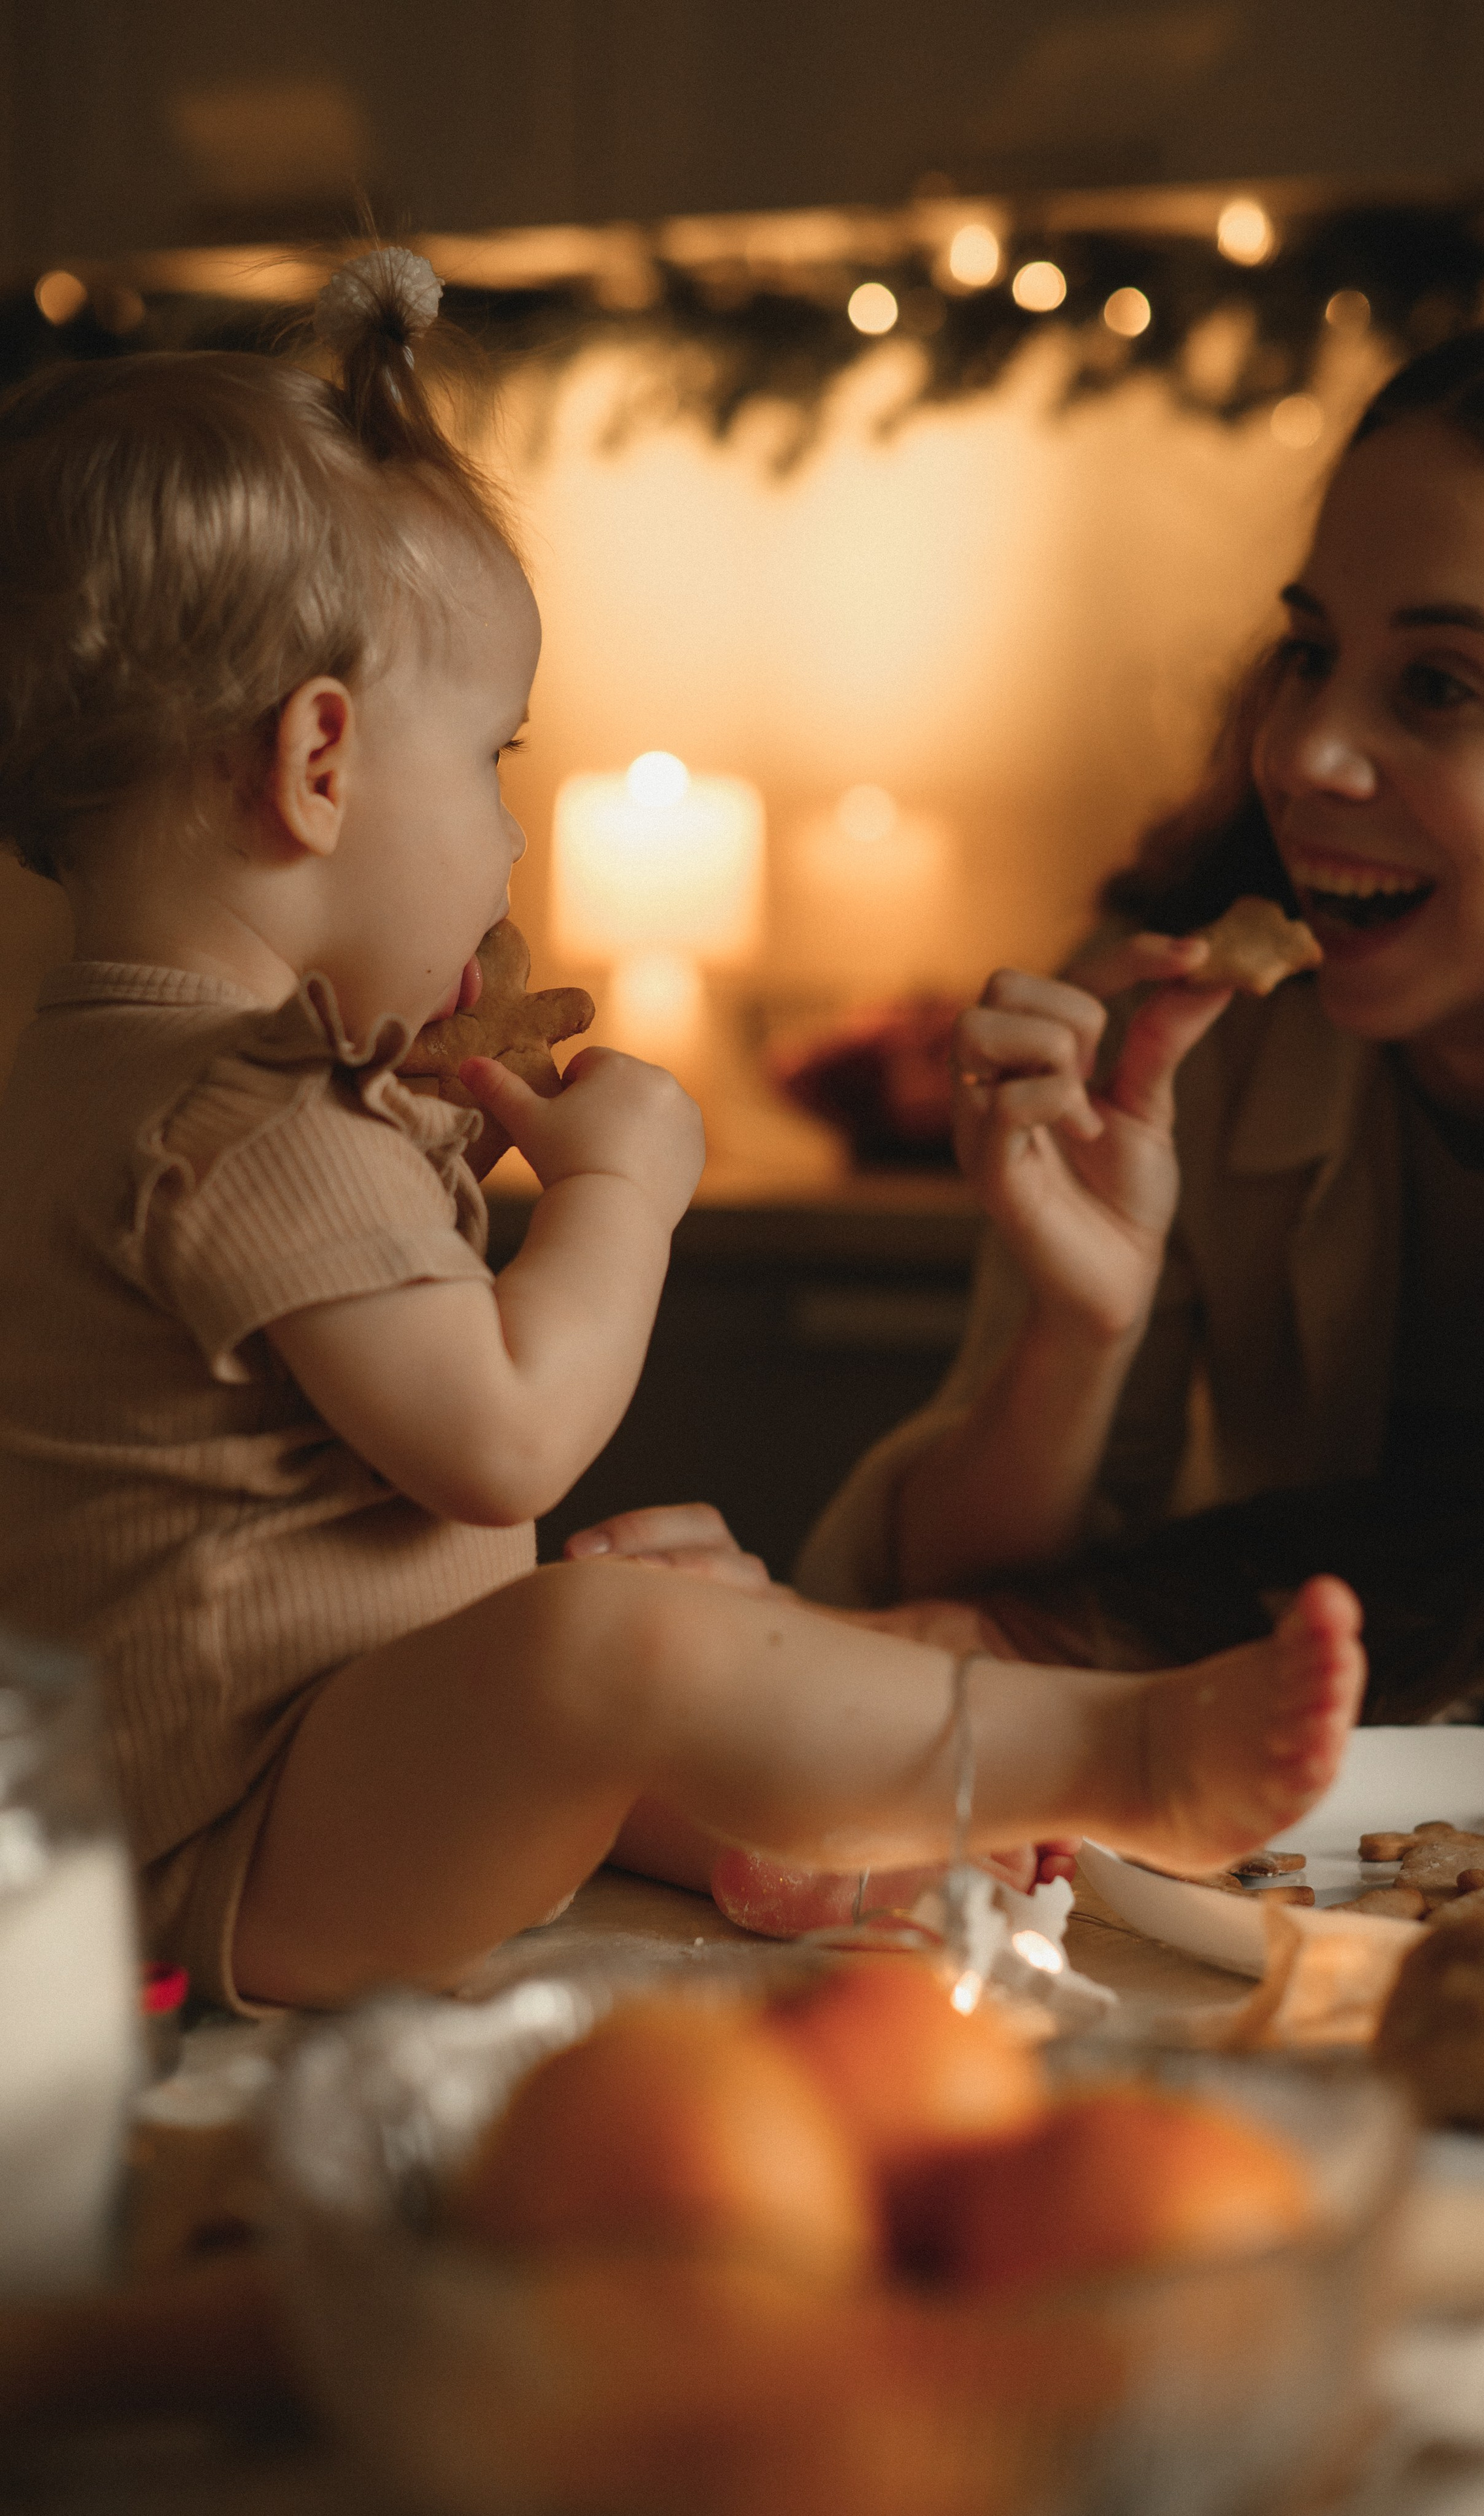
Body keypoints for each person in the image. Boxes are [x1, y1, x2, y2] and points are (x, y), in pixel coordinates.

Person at [0, 248, 1365, 2012]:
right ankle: (1116, 1757)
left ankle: (803, 1835)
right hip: (248, 1847)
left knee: (678, 1625)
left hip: (197, 1810)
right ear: (318, 764)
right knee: (613, 1639)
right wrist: (622, 1194)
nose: (508, 840)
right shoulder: (254, 1111)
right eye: (495, 759)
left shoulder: (99, 1079)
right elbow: (505, 1441)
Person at [799, 326, 1484, 1729]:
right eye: (1309, 654)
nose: (1304, 753)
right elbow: (948, 1627)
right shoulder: (1169, 1045)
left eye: (1438, 685)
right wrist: (1078, 1330)